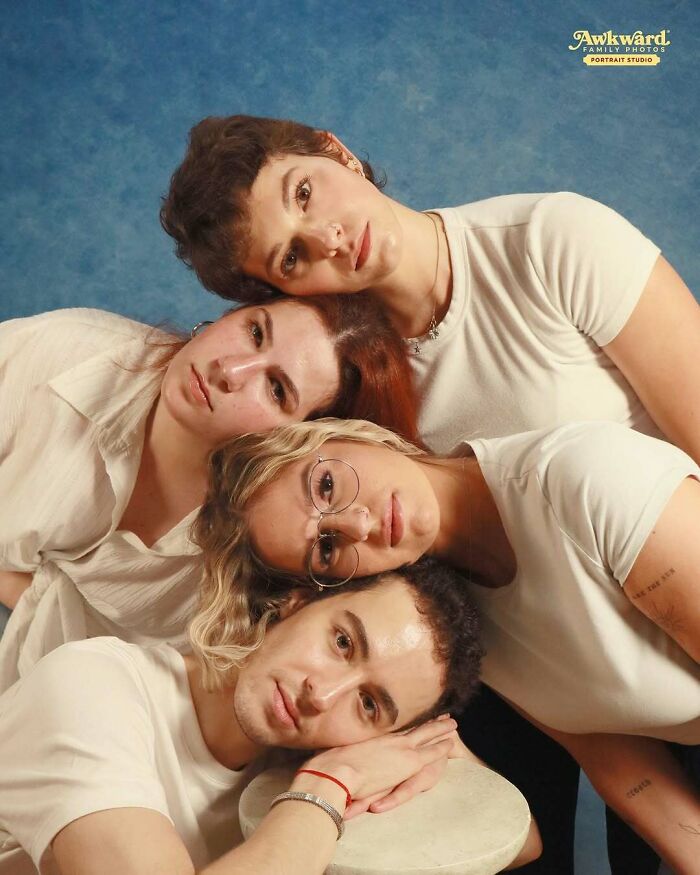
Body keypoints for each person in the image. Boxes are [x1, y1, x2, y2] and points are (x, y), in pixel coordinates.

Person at [160, 114, 700, 873]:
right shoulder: (354, 403)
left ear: (334, 147)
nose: (330, 239)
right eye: (292, 255)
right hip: (555, 675)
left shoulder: (553, 243)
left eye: (306, 192)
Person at [191, 416, 700, 874]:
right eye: (327, 548)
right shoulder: (453, 633)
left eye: (327, 485)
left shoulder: (588, 481)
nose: (359, 524)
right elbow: (622, 766)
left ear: (344, 433)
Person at [0, 560, 542, 874]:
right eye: (342, 642)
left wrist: (428, 741)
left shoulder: (292, 757)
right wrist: (329, 787)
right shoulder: (91, 684)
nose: (322, 694)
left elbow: (522, 841)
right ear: (296, 601)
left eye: (370, 703)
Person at [0, 295, 418, 693]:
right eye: (255, 332)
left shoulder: (266, 552)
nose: (231, 370)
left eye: (276, 389)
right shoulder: (64, 352)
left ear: (296, 441)